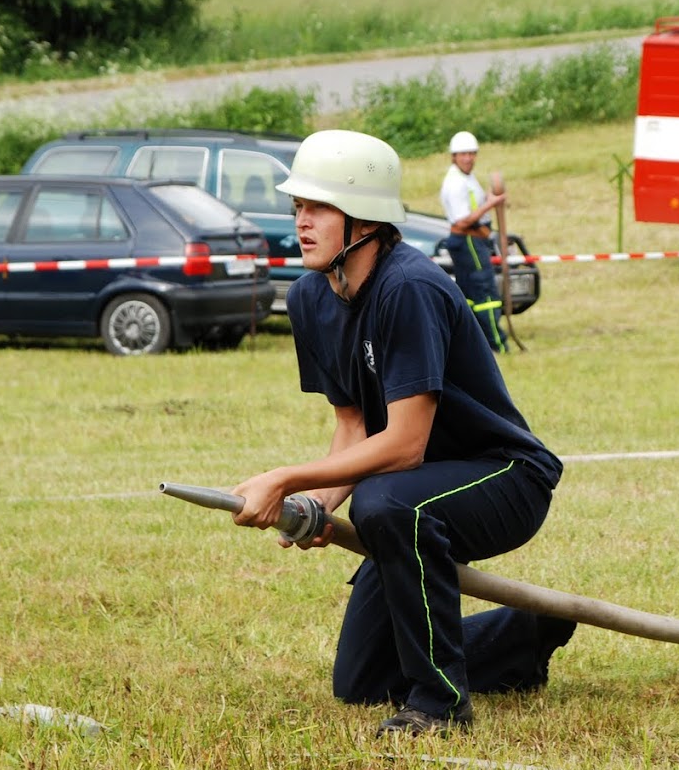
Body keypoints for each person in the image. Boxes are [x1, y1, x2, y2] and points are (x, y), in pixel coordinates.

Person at [231, 129, 574, 737]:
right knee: (361, 681)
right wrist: (316, 504)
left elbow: (403, 446)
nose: (301, 222)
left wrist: (286, 479)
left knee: (386, 501)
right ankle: (525, 634)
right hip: (414, 493)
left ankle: (440, 705)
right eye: (298, 207)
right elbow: (353, 425)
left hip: (505, 477)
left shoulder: (408, 288)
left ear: (364, 219)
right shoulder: (310, 297)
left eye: (318, 208)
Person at [440, 130, 509, 353]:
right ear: (454, 157)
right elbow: (461, 221)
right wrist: (492, 203)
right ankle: (496, 344)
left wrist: (488, 200)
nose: (468, 158)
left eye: (471, 153)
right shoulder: (456, 183)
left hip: (471, 240)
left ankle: (474, 345)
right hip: (469, 240)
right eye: (463, 154)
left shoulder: (466, 179)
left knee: (469, 294)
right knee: (484, 293)